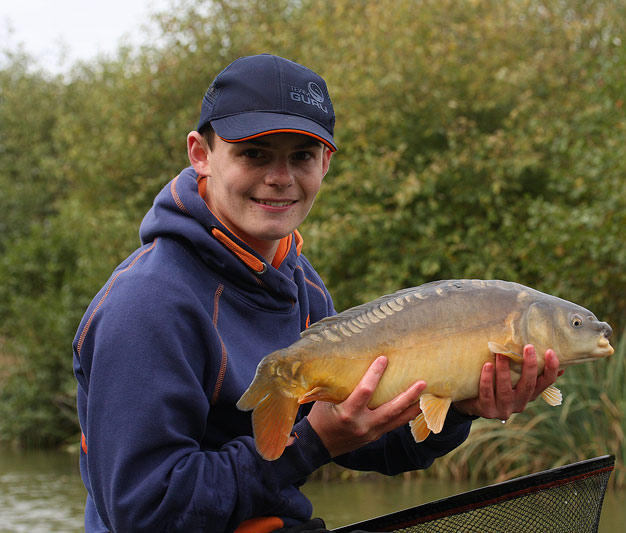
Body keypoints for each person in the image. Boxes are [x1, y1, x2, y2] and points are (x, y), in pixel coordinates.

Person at [72, 53, 562, 533]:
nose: (280, 177)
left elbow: (375, 441)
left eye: (301, 156)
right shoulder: (146, 304)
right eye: (254, 153)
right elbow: (147, 513)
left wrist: (460, 404)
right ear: (201, 154)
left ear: (325, 163)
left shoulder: (297, 279)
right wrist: (311, 444)